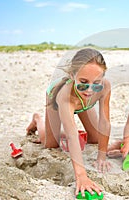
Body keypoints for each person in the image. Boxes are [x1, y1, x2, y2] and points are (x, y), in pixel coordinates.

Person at [26, 48, 111, 197]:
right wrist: (82, 176)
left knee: (96, 138)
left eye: (96, 83)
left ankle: (63, 125)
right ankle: (38, 119)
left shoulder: (104, 87)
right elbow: (72, 136)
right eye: (83, 82)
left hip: (83, 103)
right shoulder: (63, 95)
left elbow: (105, 122)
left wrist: (101, 157)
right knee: (50, 144)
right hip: (59, 101)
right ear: (73, 76)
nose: (90, 90)